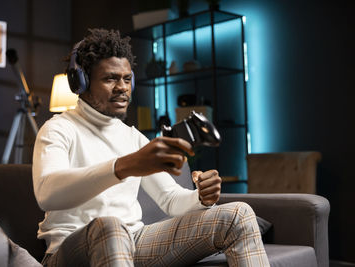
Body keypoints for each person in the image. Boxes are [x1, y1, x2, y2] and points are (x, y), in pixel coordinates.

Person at [33, 28, 270, 267]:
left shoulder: (134, 137)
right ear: (81, 83)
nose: (122, 87)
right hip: (70, 251)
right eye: (110, 78)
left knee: (239, 214)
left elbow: (170, 199)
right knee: (111, 226)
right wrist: (123, 166)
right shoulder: (58, 129)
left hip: (134, 241)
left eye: (127, 79)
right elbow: (47, 194)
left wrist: (200, 197)